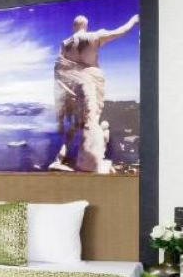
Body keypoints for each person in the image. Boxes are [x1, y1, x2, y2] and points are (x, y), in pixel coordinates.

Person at [49, 12, 140, 171]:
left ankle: (59, 159)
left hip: (72, 87)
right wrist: (133, 20)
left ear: (74, 26)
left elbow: (58, 69)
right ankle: (90, 164)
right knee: (91, 121)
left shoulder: (65, 44)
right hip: (89, 84)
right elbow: (120, 31)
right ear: (86, 25)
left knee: (75, 125)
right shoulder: (94, 36)